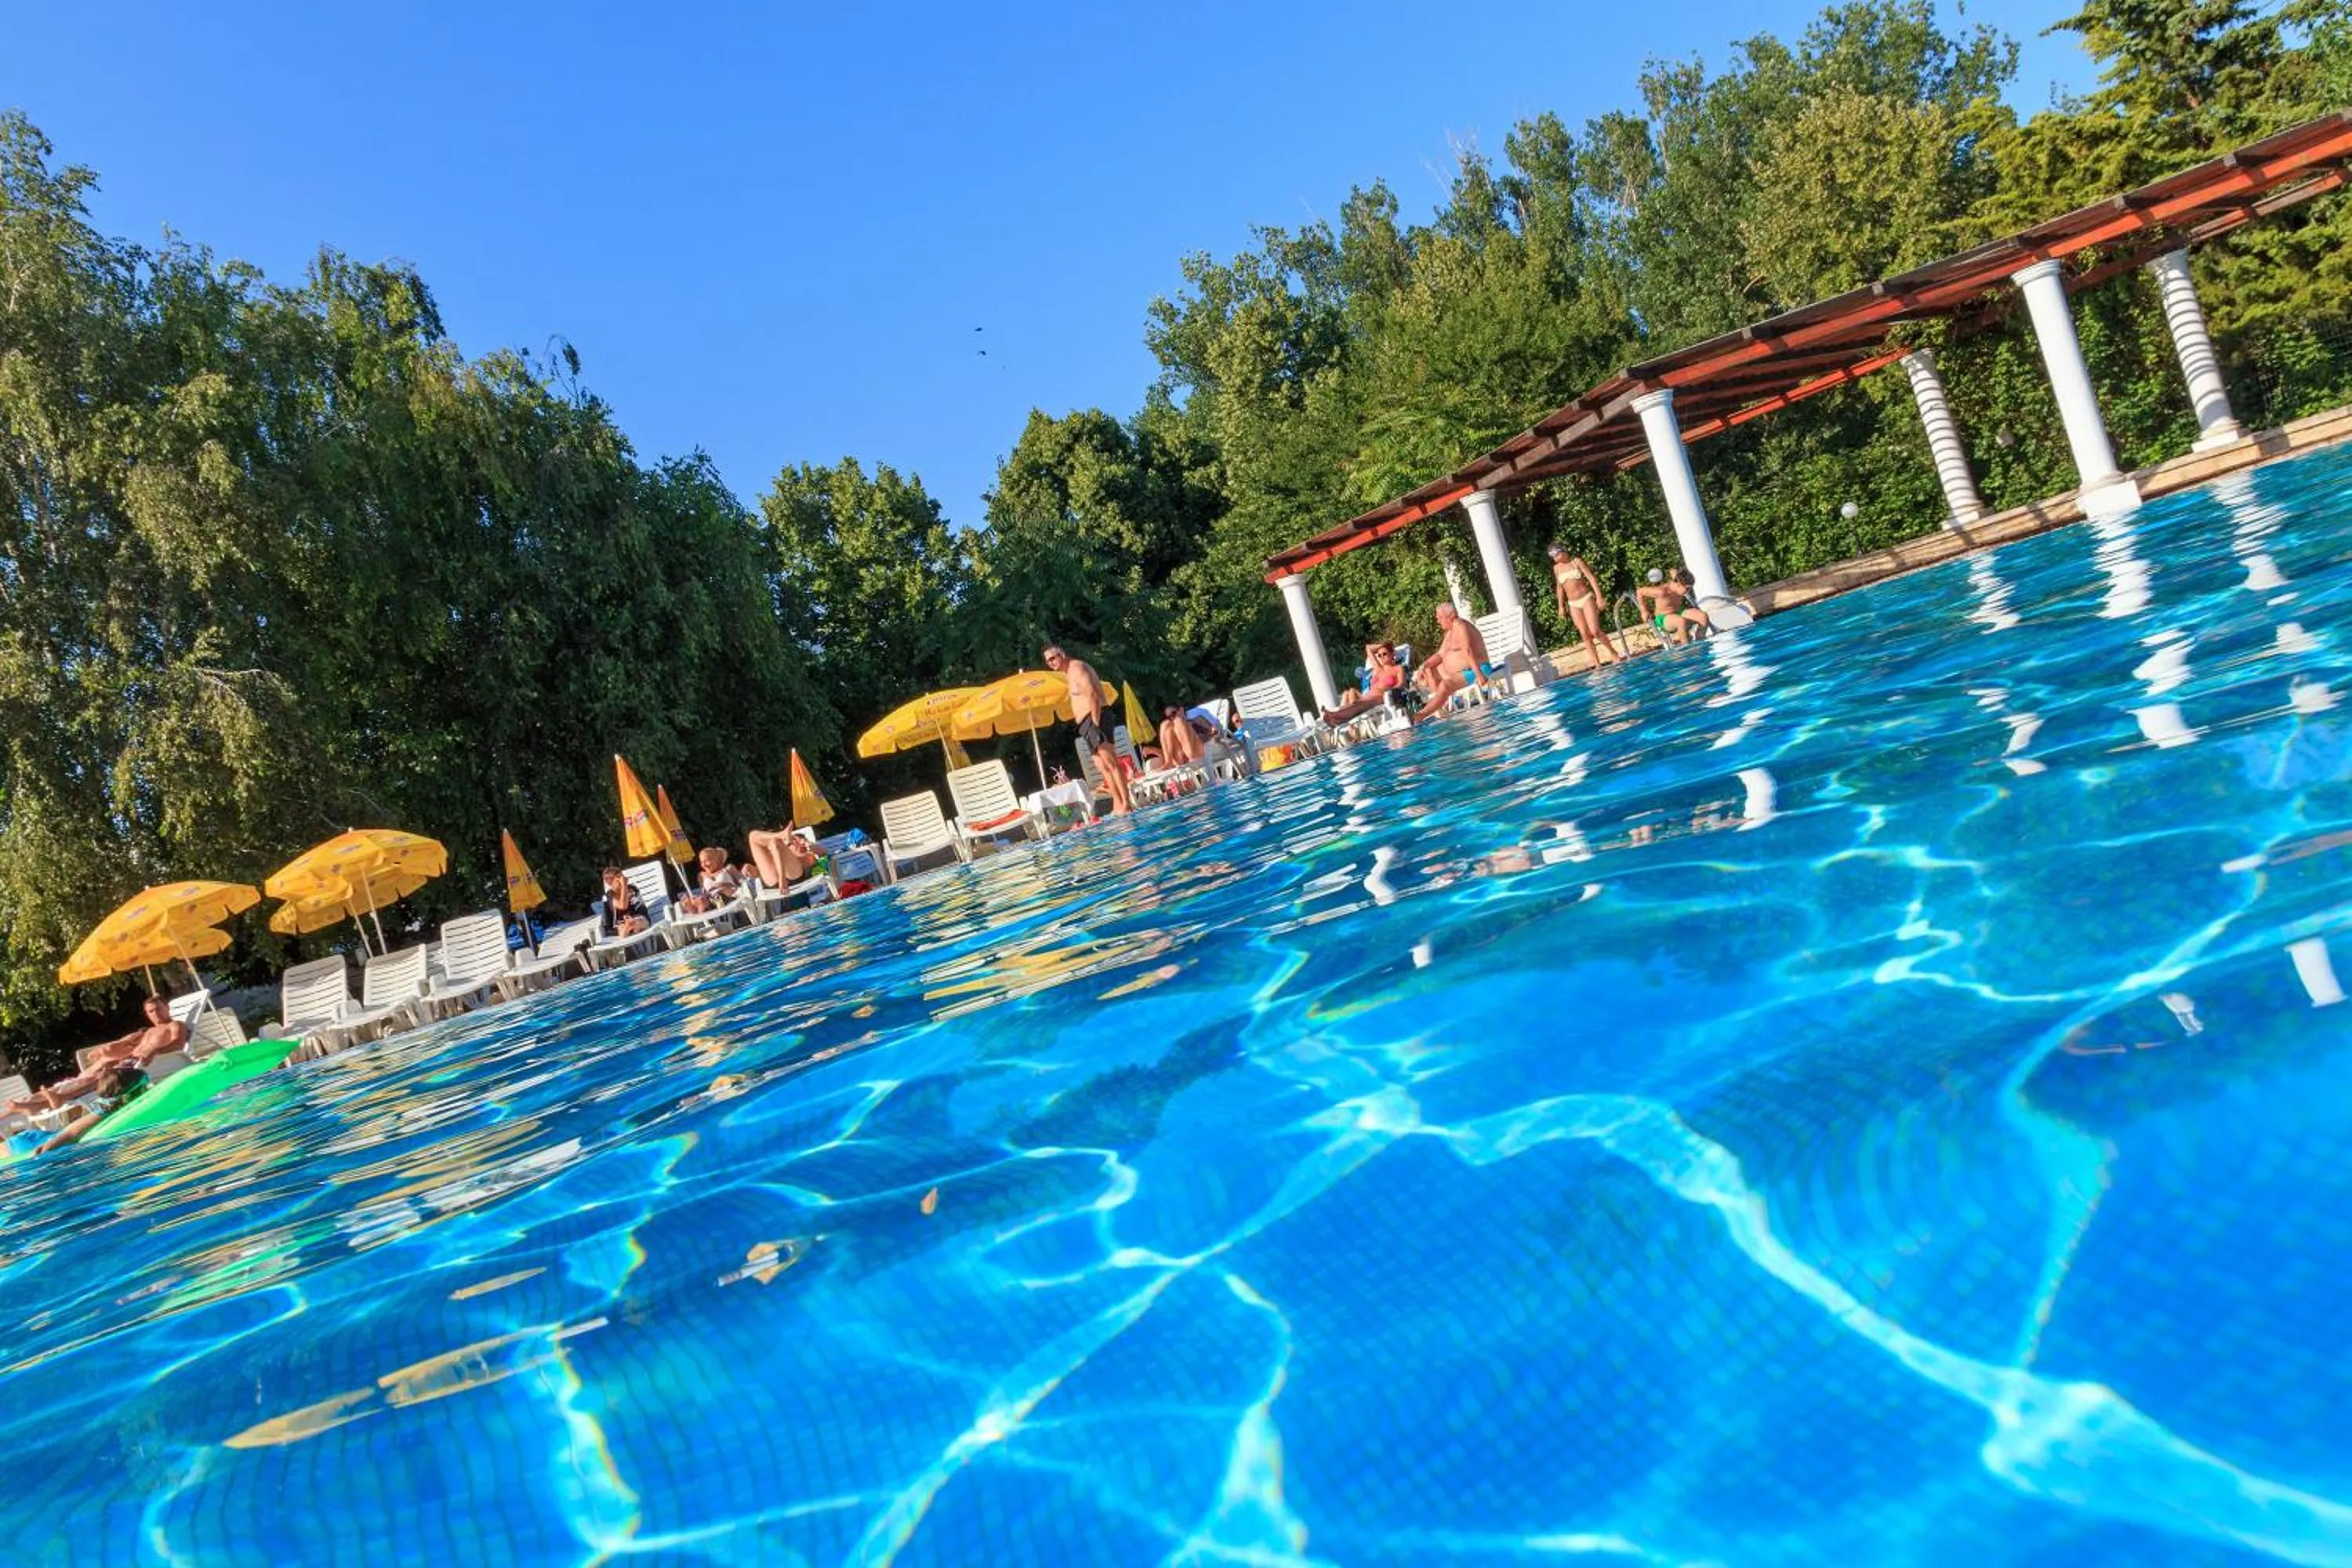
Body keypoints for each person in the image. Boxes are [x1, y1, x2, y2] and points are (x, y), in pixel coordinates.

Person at [6, 995, 186, 1114]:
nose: (156, 1014)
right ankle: (34, 1104)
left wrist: (154, 1051)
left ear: (167, 1008)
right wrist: (110, 1051)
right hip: (130, 1063)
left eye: (158, 1009)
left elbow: (178, 1043)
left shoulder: (175, 1025)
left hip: (147, 1064)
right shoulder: (146, 1032)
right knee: (78, 1081)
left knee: (99, 1079)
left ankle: (56, 1099)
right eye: (151, 1011)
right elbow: (122, 1045)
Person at [1044, 644, 1131, 815]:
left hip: (1095, 718)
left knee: (1111, 763)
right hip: (1086, 723)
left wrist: (1096, 723)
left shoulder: (1077, 668)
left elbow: (1092, 695)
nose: (1051, 662)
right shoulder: (1068, 674)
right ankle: (1117, 803)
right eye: (1047, 661)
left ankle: (1126, 804)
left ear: (1062, 654)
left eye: (1053, 658)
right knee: (1102, 766)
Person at [31, 1063, 148, 1154]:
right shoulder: (103, 1114)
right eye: (145, 1082)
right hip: (35, 1141)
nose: (148, 1087)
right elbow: (71, 1133)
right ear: (129, 1094)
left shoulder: (116, 1107)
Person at [1414, 604, 1495, 720]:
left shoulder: (1460, 625)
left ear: (1451, 616)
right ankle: (1443, 707)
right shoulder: (1450, 632)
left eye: (1440, 617)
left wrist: (1479, 675)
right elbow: (1440, 654)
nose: (1438, 620)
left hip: (1477, 669)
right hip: (1462, 672)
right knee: (1429, 671)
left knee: (1446, 685)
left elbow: (1468, 650)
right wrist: (1424, 666)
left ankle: (1422, 714)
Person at [1548, 544, 1620, 670]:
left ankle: (1613, 652)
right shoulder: (1557, 569)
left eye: (1556, 555)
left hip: (1586, 598)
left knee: (1595, 631)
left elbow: (1591, 579)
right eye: (1553, 557)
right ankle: (1597, 663)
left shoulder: (1576, 562)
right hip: (1573, 603)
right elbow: (1560, 588)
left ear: (1563, 552)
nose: (1555, 558)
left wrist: (1599, 597)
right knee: (1584, 634)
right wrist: (1560, 606)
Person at [1320, 643, 1406, 726]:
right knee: (1354, 703)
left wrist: (1389, 692)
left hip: (1381, 698)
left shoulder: (1398, 668)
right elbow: (1368, 648)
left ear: (1392, 655)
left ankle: (1334, 716)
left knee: (1359, 705)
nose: (1382, 657)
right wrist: (1382, 645)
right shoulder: (1377, 669)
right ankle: (1336, 718)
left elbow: (1401, 684)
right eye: (1379, 655)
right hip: (1366, 697)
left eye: (1385, 654)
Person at [747, 828, 821, 888]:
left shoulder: (808, 855)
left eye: (797, 841)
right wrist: (752, 870)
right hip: (775, 883)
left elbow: (823, 853)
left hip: (794, 877)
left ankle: (780, 835)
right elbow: (759, 872)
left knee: (775, 842)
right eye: (791, 843)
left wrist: (810, 846)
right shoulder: (777, 851)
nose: (796, 843)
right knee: (752, 836)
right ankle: (780, 835)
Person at [599, 866, 652, 939]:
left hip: (637, 917)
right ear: (610, 884)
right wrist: (623, 885)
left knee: (642, 922)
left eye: (622, 877)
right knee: (623, 929)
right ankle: (628, 928)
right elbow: (623, 905)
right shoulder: (609, 896)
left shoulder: (632, 889)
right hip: (620, 923)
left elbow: (640, 909)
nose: (623, 880)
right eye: (619, 879)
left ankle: (632, 927)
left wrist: (633, 920)